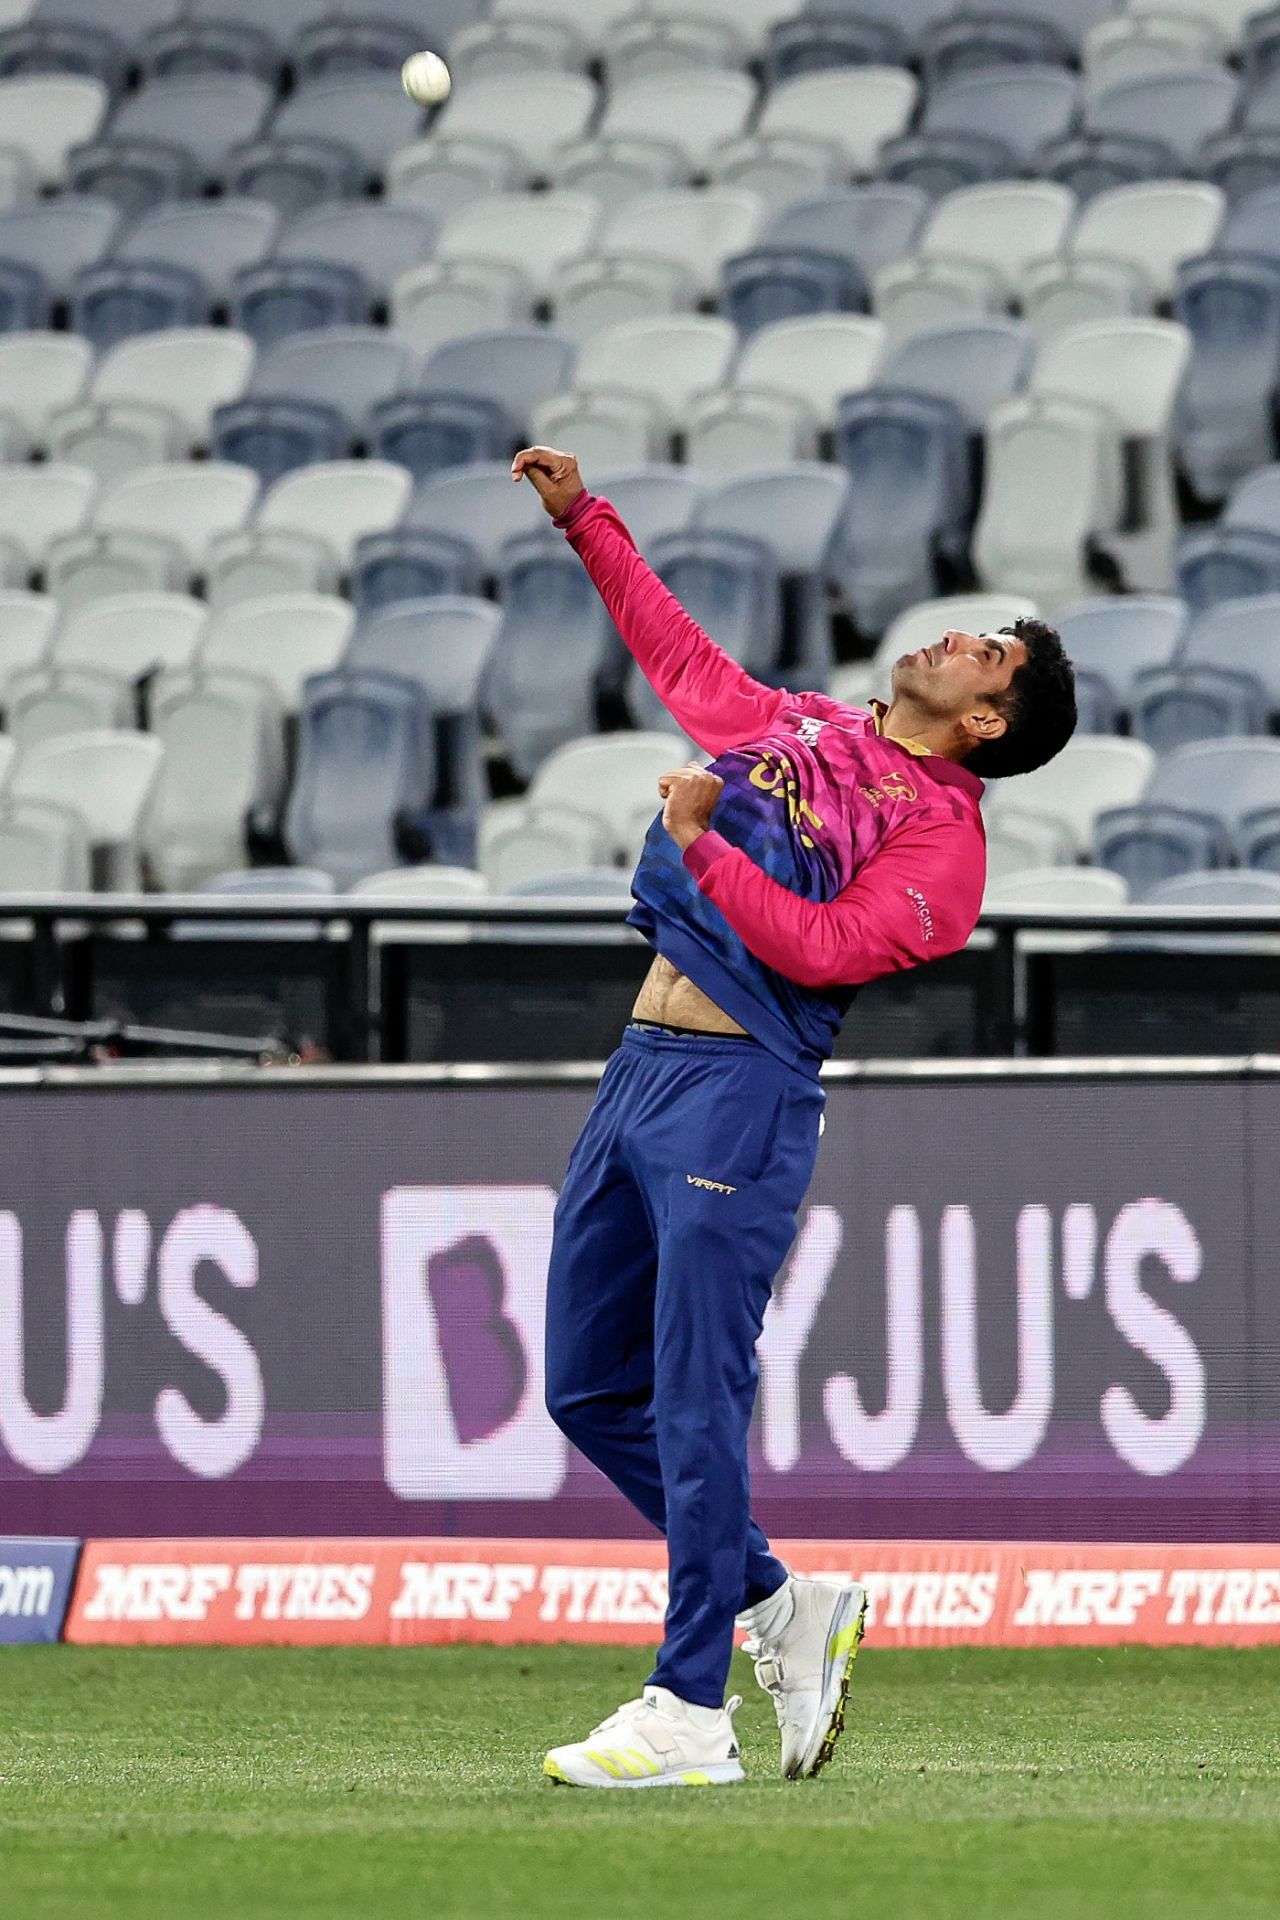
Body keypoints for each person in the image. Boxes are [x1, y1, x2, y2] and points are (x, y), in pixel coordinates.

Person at [512, 446, 1078, 1791]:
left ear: (989, 721)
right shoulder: (811, 728)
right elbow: (687, 664)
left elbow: (824, 952)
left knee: (697, 1401)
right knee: (587, 1390)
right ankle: (784, 1606)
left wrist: (705, 846)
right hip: (639, 1069)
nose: (952, 636)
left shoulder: (947, 848)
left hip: (740, 1101)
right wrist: (588, 522)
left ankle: (689, 1717)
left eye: (984, 651)